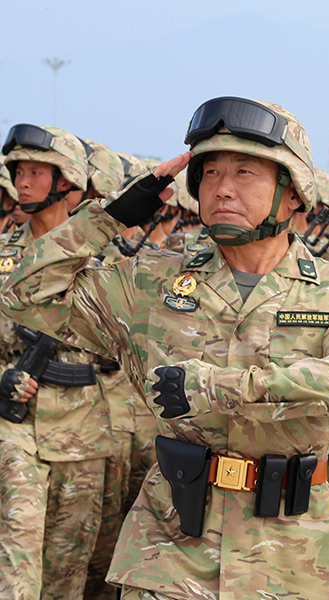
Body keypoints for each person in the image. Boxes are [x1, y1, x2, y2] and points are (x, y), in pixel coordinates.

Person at [0, 97, 329, 599]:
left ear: (294, 193)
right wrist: (109, 218)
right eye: (209, 173)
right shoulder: (152, 280)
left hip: (288, 550)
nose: (222, 188)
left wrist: (212, 385)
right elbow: (23, 295)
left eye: (245, 172)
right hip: (169, 541)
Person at [0, 124, 113, 600]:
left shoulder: (108, 262)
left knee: (68, 569)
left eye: (36, 172)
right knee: (17, 558)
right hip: (15, 427)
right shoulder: (3, 255)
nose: (22, 182)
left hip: (85, 430)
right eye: (18, 172)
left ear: (67, 180)